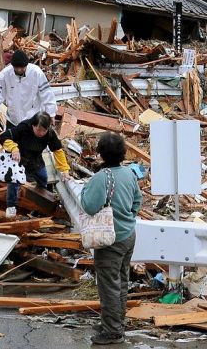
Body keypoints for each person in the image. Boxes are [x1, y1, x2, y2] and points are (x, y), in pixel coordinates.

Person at [77, 132, 142, 345]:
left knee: (109, 285)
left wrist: (84, 190)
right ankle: (115, 321)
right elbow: (137, 201)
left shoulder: (101, 178)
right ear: (123, 153)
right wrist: (128, 217)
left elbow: (89, 205)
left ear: (101, 154)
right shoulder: (129, 173)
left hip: (109, 238)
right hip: (128, 236)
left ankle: (113, 331)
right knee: (122, 280)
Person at [0, 111, 69, 218]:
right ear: (33, 125)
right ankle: (11, 206)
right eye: (38, 130)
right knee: (14, 182)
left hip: (36, 160)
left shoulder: (49, 134)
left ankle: (40, 206)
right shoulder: (24, 127)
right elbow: (4, 137)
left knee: (43, 179)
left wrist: (64, 170)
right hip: (19, 158)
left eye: (43, 131)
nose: (41, 133)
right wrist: (13, 148)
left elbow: (58, 150)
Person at [0, 50, 57, 128]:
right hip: (13, 120)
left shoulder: (36, 73)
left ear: (26, 65)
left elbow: (46, 93)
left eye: (22, 68)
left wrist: (51, 113)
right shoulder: (5, 75)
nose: (19, 70)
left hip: (33, 119)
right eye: (16, 68)